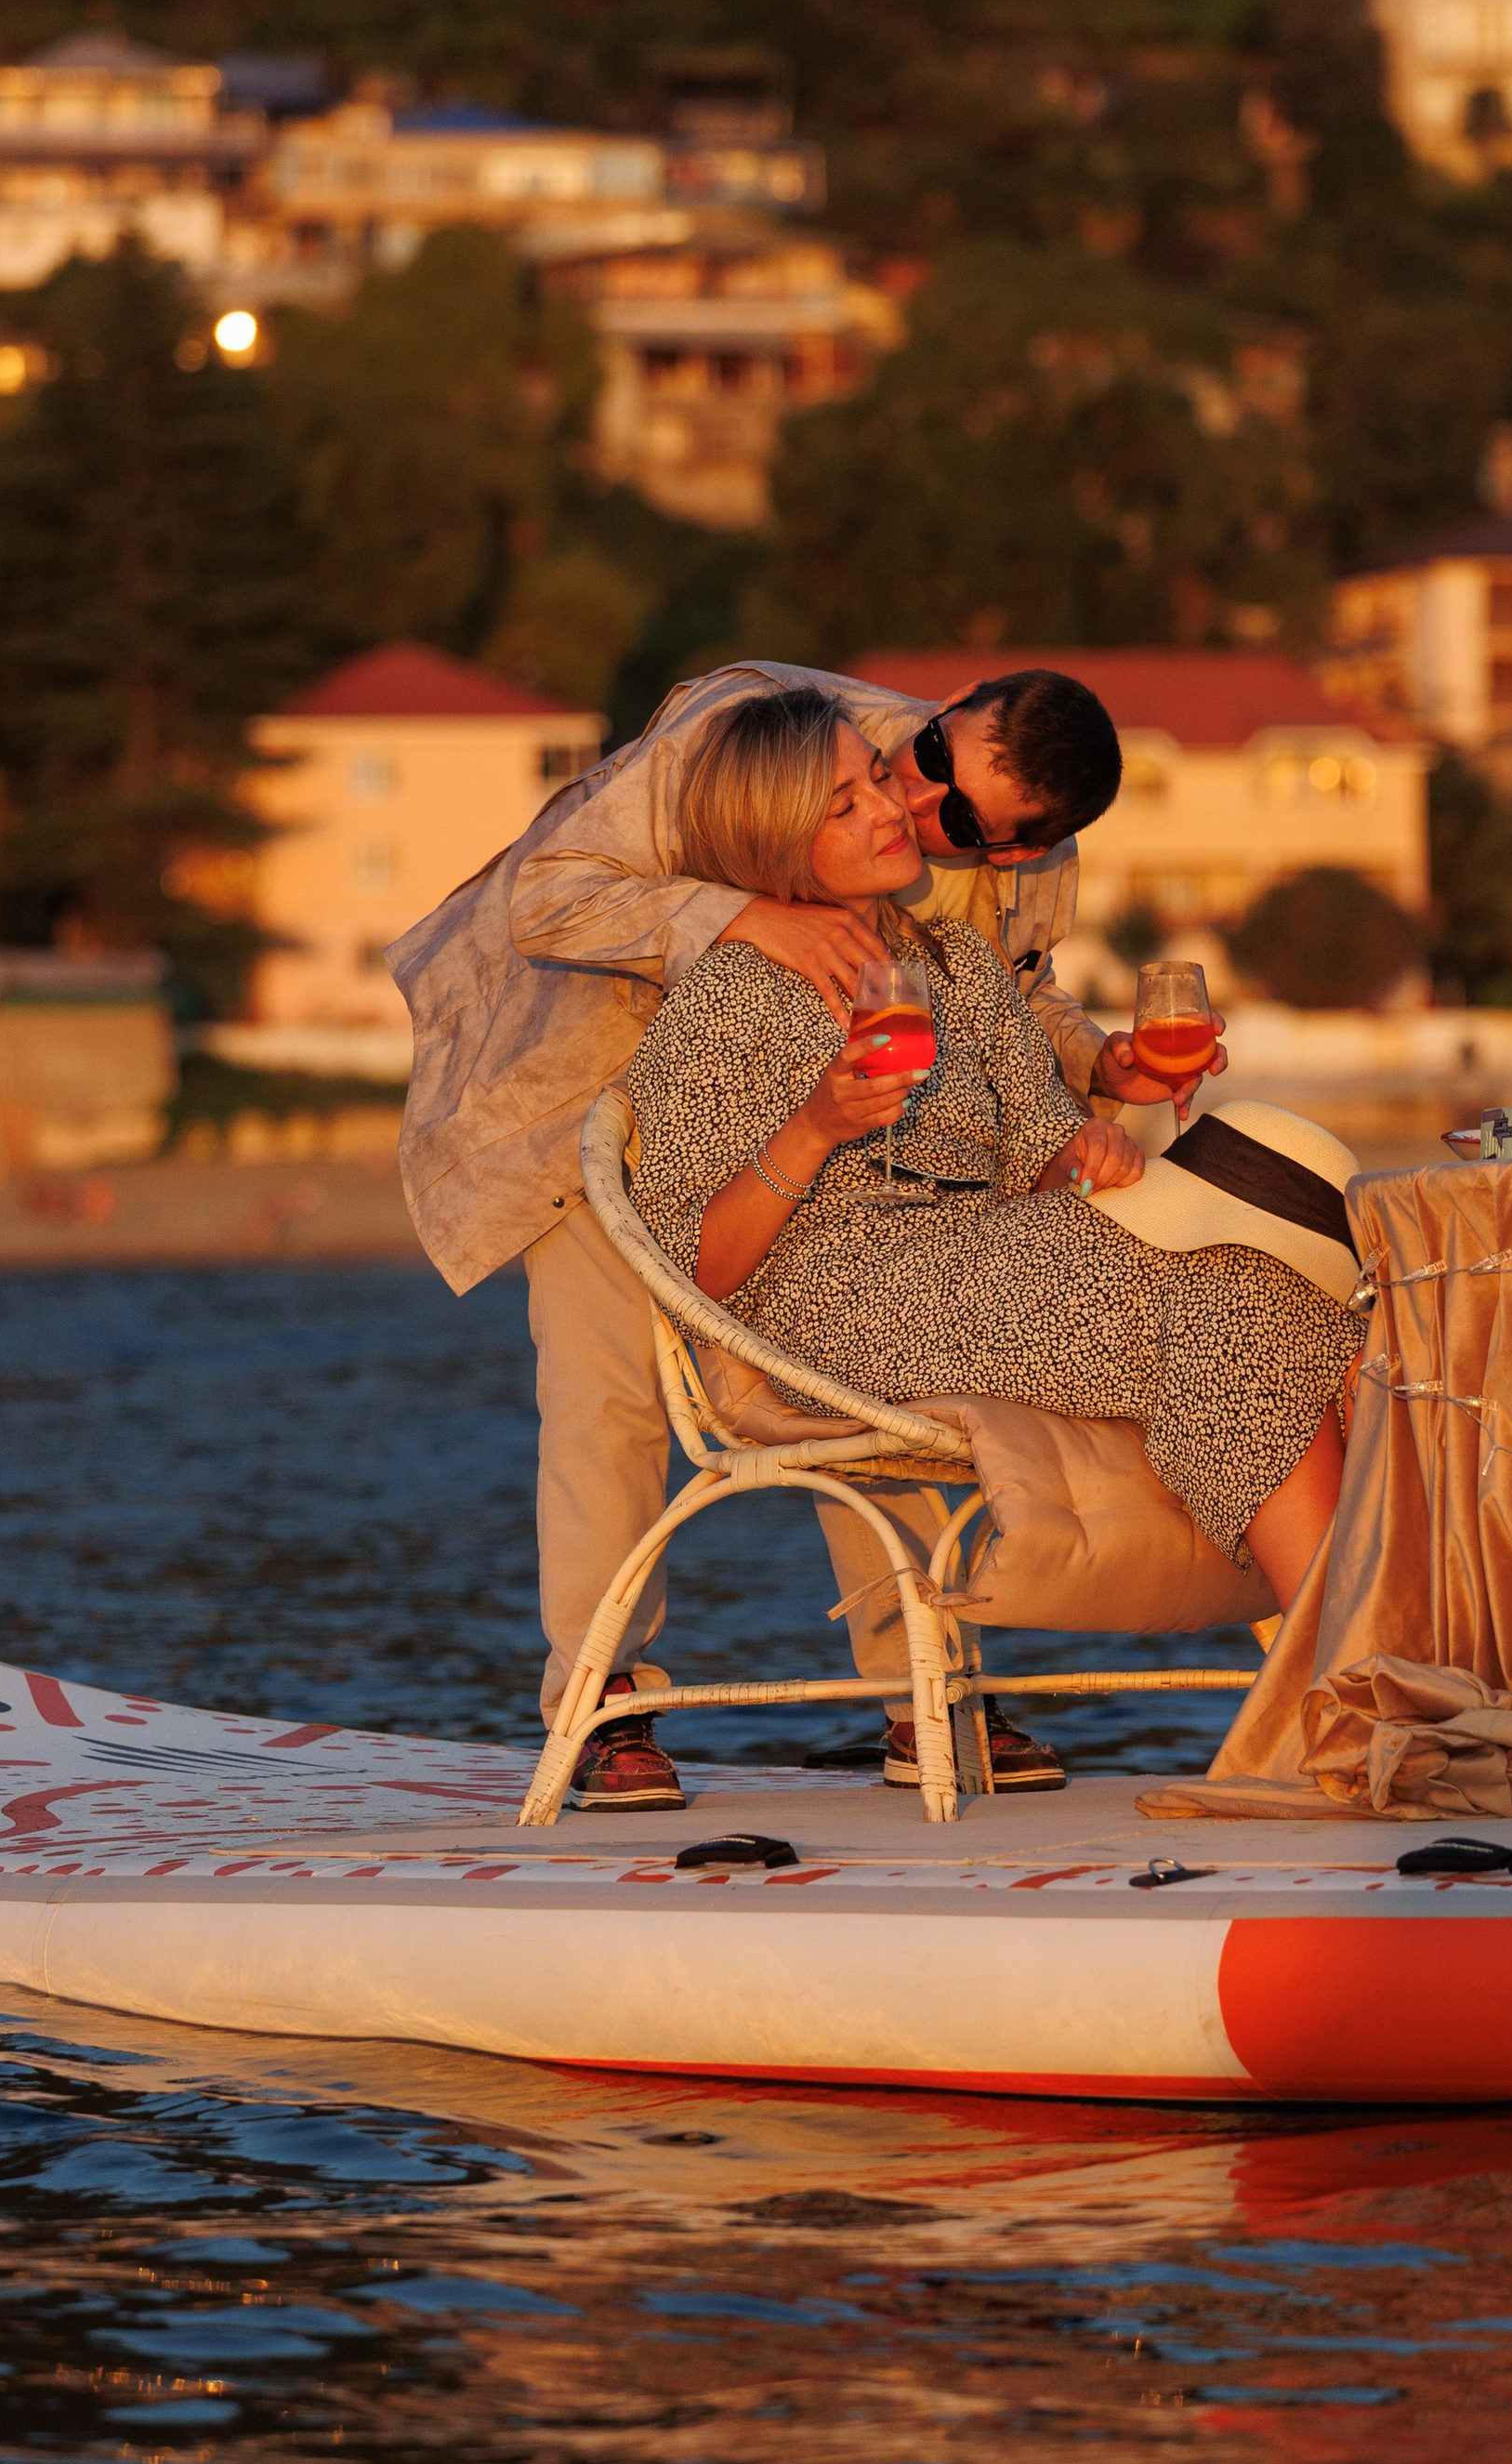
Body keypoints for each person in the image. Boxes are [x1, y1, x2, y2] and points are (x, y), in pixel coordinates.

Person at [388, 653, 1225, 1809]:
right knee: (607, 1404)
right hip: (600, 1089)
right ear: (949, 710)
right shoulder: (770, 735)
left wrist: (1098, 1063)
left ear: (1011, 849)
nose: (914, 800)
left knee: (894, 1360)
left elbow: (1008, 991)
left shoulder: (1022, 864)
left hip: (840, 1135)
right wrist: (742, 915)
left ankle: (920, 1690)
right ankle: (603, 1702)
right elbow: (546, 894)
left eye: (960, 821)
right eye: (925, 757)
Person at [617, 688, 1357, 1804]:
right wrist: (812, 1127)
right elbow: (690, 1271)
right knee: (1226, 1297)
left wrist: (1087, 1153)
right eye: (843, 804)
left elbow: (1049, 1155)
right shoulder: (729, 993)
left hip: (985, 1259)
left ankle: (1358, 1678)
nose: (888, 811)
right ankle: (1346, 1694)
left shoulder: (958, 965)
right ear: (774, 838)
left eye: (877, 777)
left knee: (1303, 1288)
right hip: (832, 1296)